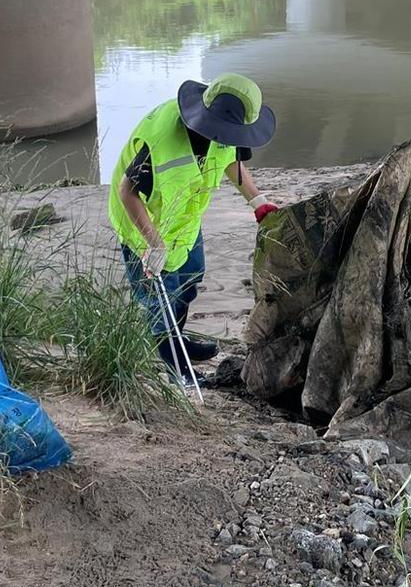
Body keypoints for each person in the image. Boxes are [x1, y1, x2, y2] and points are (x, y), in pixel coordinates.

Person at [108, 73, 281, 375]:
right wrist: (153, 243)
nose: (227, 138)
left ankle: (180, 341)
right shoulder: (161, 140)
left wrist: (257, 200)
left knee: (189, 279)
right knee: (161, 299)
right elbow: (127, 192)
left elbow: (230, 160)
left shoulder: (229, 130)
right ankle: (175, 365)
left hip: (183, 220)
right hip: (143, 224)